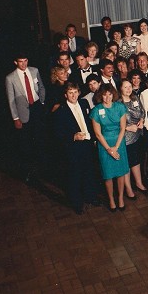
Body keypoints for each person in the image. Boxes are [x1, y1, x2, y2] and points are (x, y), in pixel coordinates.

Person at [53, 83, 98, 214]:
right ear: (65, 95)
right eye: (70, 93)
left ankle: (91, 197)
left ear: (79, 93)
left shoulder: (84, 103)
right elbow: (57, 133)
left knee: (89, 171)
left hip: (88, 144)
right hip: (74, 147)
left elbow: (90, 122)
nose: (73, 95)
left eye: (75, 92)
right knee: (75, 175)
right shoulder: (61, 111)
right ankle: (77, 203)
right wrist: (73, 136)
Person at [5, 53, 46, 182]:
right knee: (26, 143)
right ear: (15, 62)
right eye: (21, 61)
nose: (24, 64)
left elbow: (41, 87)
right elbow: (11, 100)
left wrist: (42, 102)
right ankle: (29, 171)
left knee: (40, 139)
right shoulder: (10, 78)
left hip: (37, 108)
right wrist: (15, 118)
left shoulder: (34, 70)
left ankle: (43, 170)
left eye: (25, 61)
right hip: (23, 113)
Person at [90, 84, 129, 212]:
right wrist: (109, 149)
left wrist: (116, 147)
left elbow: (123, 128)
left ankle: (121, 198)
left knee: (120, 173)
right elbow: (97, 134)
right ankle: (111, 199)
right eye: (104, 95)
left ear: (113, 95)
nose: (107, 97)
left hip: (119, 142)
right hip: (104, 144)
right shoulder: (96, 110)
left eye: (110, 94)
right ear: (100, 96)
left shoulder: (120, 107)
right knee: (108, 174)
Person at [119, 79, 148, 194]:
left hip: (138, 135)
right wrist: (127, 127)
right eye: (125, 87)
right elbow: (115, 122)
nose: (128, 89)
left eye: (130, 86)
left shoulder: (135, 98)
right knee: (127, 163)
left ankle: (138, 183)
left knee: (136, 161)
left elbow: (142, 112)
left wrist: (141, 120)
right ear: (120, 88)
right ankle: (128, 189)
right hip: (126, 138)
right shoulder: (118, 103)